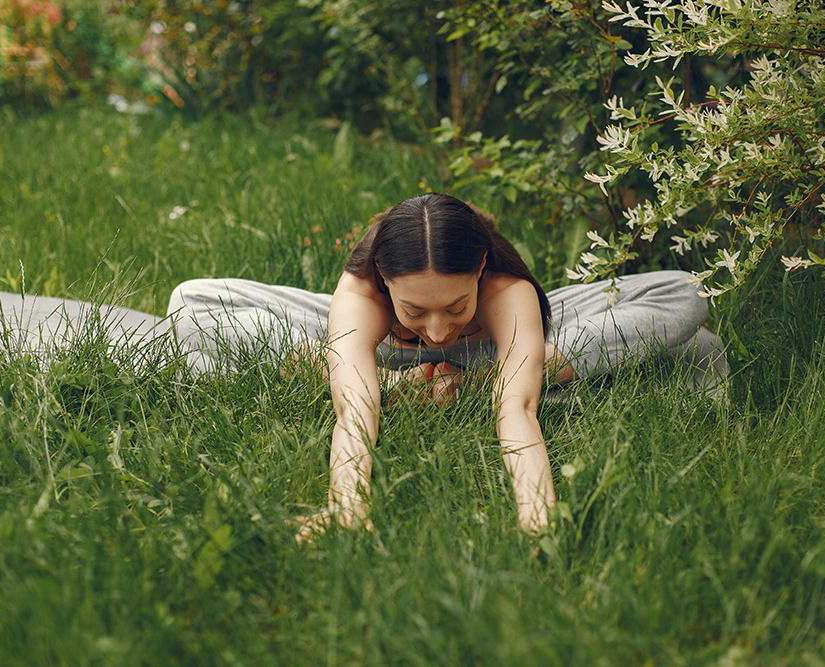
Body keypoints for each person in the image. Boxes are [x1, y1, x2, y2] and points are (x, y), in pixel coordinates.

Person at [166, 193, 727, 539]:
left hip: (509, 353)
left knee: (686, 306)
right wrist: (347, 508)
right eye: (416, 310)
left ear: (481, 269)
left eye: (455, 306)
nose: (437, 330)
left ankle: (499, 375)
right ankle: (388, 381)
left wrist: (538, 518)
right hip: (386, 355)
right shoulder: (361, 294)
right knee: (192, 305)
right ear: (384, 281)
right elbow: (353, 414)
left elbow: (518, 410)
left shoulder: (507, 291)